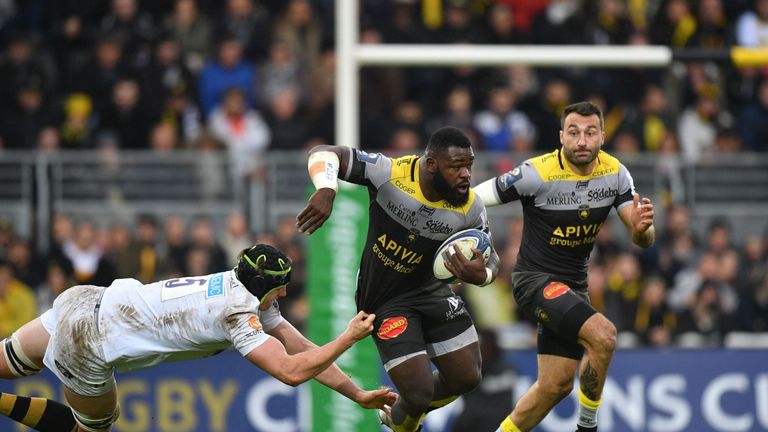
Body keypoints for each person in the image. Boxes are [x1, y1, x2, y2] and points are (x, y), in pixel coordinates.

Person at [0, 244, 395, 432]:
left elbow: (301, 348)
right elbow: (291, 372)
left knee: (5, 362)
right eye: (280, 289)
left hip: (85, 300)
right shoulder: (237, 313)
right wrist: (348, 337)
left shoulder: (237, 281)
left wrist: (358, 395)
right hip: (88, 339)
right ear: (261, 286)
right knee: (94, 428)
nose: (285, 295)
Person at [296, 126, 501, 432]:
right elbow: (323, 153)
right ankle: (407, 415)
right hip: (385, 299)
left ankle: (399, 417)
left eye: (468, 166)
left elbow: (492, 259)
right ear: (431, 164)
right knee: (419, 394)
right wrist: (327, 188)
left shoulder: (470, 206)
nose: (466, 175)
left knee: (467, 378)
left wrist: (481, 274)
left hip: (431, 291)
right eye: (456, 167)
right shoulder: (390, 173)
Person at [473, 101, 656, 432]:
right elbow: (476, 197)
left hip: (573, 290)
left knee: (555, 387)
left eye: (590, 133)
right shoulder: (536, 172)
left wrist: (643, 229)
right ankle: (587, 427)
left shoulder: (615, 173)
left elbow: (641, 235)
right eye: (574, 133)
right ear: (561, 137)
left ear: (602, 136)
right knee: (604, 335)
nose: (582, 141)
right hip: (535, 282)